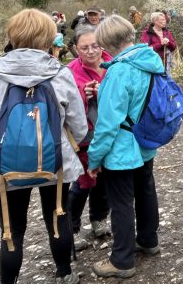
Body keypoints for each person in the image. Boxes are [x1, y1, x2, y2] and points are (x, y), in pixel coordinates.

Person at [0, 9, 87, 284]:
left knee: (13, 228)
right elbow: (79, 128)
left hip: (7, 166)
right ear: (48, 37)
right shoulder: (60, 73)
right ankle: (65, 274)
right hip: (54, 162)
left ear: (13, 35)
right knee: (57, 215)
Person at [86, 15, 163, 279]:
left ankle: (122, 260)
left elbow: (107, 125)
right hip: (145, 140)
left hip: (122, 149)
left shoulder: (118, 71)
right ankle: (149, 241)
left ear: (106, 43)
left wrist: (94, 160)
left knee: (120, 203)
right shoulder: (151, 60)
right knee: (145, 191)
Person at [67, 26, 113, 252]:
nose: (91, 51)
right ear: (76, 49)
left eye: (95, 45)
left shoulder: (112, 63)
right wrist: (82, 96)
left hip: (109, 133)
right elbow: (64, 106)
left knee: (104, 178)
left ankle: (98, 219)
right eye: (84, 47)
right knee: (84, 181)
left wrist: (103, 91)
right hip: (84, 136)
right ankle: (71, 228)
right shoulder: (69, 71)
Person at [141, 11, 177, 76]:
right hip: (153, 64)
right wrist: (160, 44)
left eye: (165, 19)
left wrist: (168, 43)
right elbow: (146, 49)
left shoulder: (167, 32)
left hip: (166, 63)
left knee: (167, 81)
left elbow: (174, 47)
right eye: (162, 20)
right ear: (155, 21)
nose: (165, 21)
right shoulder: (147, 33)